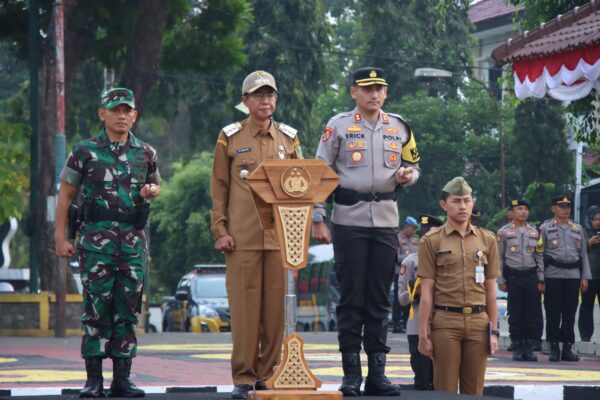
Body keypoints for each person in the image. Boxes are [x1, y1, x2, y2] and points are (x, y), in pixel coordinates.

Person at [312, 67, 420, 397]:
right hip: (348, 220)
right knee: (351, 299)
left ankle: (377, 374)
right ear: (353, 93)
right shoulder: (338, 125)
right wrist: (318, 216)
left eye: (379, 88)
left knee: (379, 299)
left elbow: (414, 166)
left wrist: (407, 176)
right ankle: (350, 375)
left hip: (386, 221)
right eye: (367, 88)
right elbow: (320, 171)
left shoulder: (399, 126)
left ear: (386, 93)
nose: (374, 94)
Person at [55, 87, 160, 398]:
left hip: (132, 244)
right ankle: (94, 380)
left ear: (135, 116)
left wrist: (151, 192)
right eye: (115, 110)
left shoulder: (146, 153)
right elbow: (65, 198)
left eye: (127, 111)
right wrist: (61, 239)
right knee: (96, 310)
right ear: (102, 114)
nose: (122, 116)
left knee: (127, 311)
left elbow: (154, 186)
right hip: (95, 244)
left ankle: (122, 380)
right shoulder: (84, 152)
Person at [210, 70, 302, 400]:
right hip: (242, 238)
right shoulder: (230, 137)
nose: (265, 101)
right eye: (258, 95)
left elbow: (303, 187)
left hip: (280, 238)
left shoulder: (289, 139)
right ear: (245, 101)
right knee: (246, 311)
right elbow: (219, 187)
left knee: (275, 314)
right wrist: (220, 229)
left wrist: (300, 235)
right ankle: (243, 377)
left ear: (276, 99)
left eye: (270, 95)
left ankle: (267, 375)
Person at [417, 177, 499, 395]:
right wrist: (422, 334)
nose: (462, 206)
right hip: (445, 322)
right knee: (445, 389)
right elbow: (426, 292)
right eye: (456, 201)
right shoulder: (431, 241)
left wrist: (494, 330)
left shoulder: (487, 239)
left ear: (472, 202)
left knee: (474, 390)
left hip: (478, 322)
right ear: (444, 205)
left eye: (467, 200)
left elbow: (491, 289)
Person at [540, 195, 591, 362]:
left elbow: (583, 254)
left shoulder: (577, 229)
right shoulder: (545, 228)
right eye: (561, 206)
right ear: (553, 208)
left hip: (573, 275)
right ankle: (554, 346)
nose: (565, 209)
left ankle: (567, 346)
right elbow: (539, 255)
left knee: (569, 313)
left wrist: (584, 277)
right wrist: (541, 278)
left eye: (568, 206)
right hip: (553, 275)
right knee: (553, 312)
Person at [398, 214, 443, 391]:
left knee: (442, 381)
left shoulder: (447, 260)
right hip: (417, 326)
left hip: (443, 325)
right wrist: (414, 293)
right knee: (422, 379)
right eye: (425, 236)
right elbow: (401, 299)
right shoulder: (410, 262)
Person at [496, 199, 544, 362]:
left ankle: (528, 347)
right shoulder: (503, 232)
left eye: (526, 209)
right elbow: (499, 258)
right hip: (514, 277)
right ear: (512, 212)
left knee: (531, 313)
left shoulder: (535, 232)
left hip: (531, 277)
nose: (523, 212)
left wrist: (541, 278)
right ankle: (517, 346)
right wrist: (500, 279)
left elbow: (539, 255)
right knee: (515, 313)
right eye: (519, 209)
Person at [393, 216, 419, 333]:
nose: (413, 231)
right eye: (412, 228)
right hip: (400, 272)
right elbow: (395, 256)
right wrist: (409, 258)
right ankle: (396, 323)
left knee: (411, 297)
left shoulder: (415, 240)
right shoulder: (397, 239)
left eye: (414, 229)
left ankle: (406, 321)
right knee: (398, 298)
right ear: (406, 226)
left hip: (413, 274)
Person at [579, 205, 600, 341]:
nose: (597, 222)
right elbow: (577, 251)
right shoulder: (582, 231)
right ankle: (585, 337)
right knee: (587, 307)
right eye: (595, 219)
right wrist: (589, 243)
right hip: (589, 275)